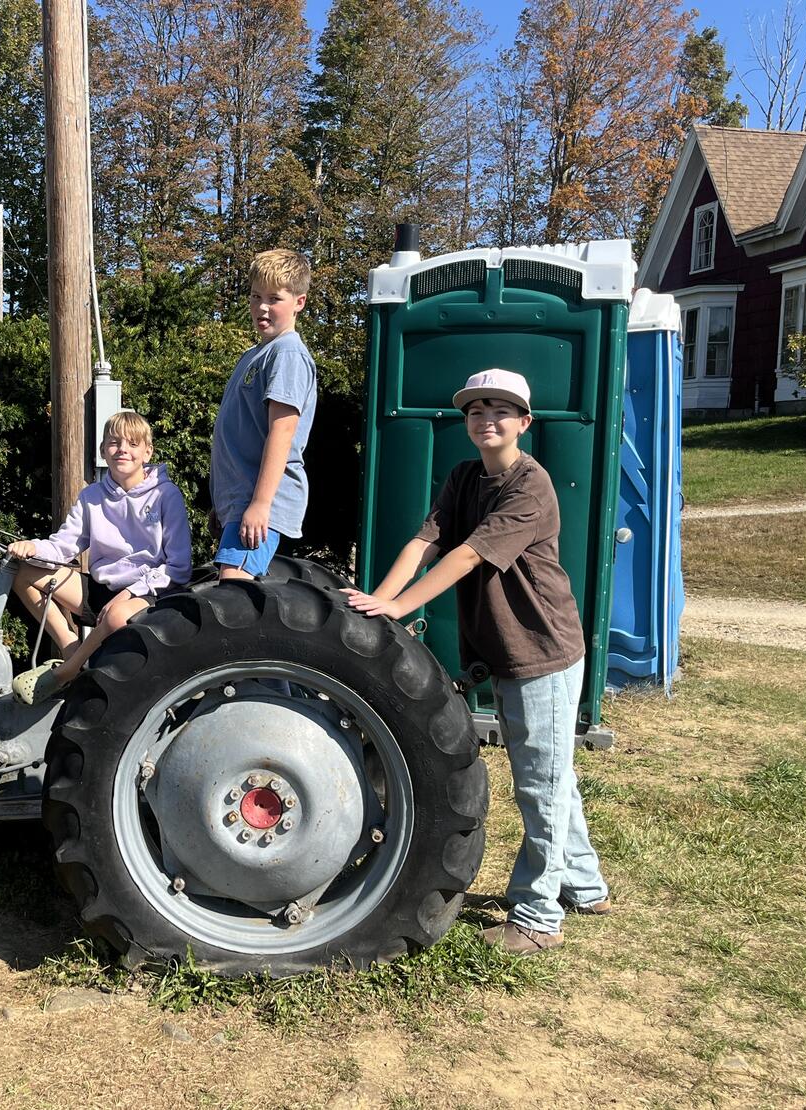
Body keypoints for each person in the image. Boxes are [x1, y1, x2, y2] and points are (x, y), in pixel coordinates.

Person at [342, 368, 611, 957]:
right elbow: (425, 543)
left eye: (500, 410)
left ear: (524, 422)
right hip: (507, 652)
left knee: (540, 783)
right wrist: (378, 601)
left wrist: (399, 607)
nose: (486, 419)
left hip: (541, 650)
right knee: (552, 773)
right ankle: (586, 886)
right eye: (476, 410)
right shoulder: (465, 477)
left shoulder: (530, 485)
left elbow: (467, 556)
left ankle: (538, 917)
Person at [10, 410, 191, 705]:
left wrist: (129, 593)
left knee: (117, 615)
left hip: (150, 593)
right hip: (102, 589)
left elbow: (179, 568)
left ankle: (66, 672)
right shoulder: (91, 496)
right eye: (114, 443)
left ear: (148, 452)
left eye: (133, 444)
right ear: (103, 450)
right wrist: (32, 547)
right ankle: (72, 650)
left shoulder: (166, 495)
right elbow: (63, 546)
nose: (122, 450)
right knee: (24, 573)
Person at [209, 248, 318, 579]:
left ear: (299, 302)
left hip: (260, 503)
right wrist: (223, 503)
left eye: (274, 298)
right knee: (232, 594)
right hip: (239, 502)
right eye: (256, 297)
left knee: (232, 592)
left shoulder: (288, 354)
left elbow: (282, 433)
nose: (262, 307)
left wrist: (260, 504)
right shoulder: (255, 354)